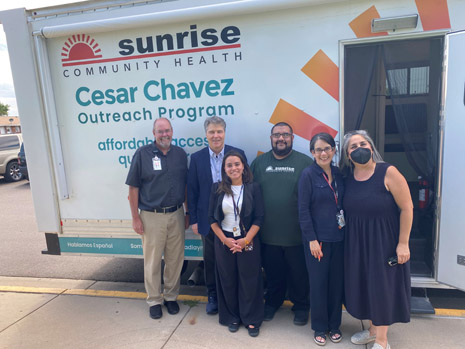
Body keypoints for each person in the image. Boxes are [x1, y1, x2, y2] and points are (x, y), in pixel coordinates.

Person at [340, 130, 413, 349]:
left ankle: (382, 341)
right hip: (357, 242)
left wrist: (403, 243)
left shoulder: (388, 172)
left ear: (371, 147)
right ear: (347, 155)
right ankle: (372, 331)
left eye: (362, 143)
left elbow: (407, 207)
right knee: (365, 286)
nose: (358, 148)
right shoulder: (348, 178)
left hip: (384, 241)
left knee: (382, 287)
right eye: (353, 147)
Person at [126, 117, 188, 320]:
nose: (165, 135)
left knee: (175, 259)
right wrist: (135, 218)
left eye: (167, 131)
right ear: (154, 134)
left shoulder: (179, 154)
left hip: (176, 214)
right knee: (152, 261)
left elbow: (185, 186)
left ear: (172, 132)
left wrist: (187, 212)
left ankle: (171, 297)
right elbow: (133, 188)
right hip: (151, 216)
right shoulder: (142, 154)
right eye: (160, 131)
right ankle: (154, 299)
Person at [250, 122, 312, 325]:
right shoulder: (259, 163)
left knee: (299, 275)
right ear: (271, 138)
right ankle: (272, 303)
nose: (281, 138)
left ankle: (301, 306)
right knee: (273, 273)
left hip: (296, 234)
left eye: (286, 135)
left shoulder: (305, 162)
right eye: (277, 135)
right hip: (268, 234)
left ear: (293, 138)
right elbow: (249, 194)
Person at [188, 116, 247, 315]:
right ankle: (213, 295)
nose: (216, 136)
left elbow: (247, 186)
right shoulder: (196, 159)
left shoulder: (238, 154)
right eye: (212, 132)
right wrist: (194, 219)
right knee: (211, 260)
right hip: (207, 220)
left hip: (234, 219)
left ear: (224, 132)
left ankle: (234, 296)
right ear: (206, 135)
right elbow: (192, 191)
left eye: (219, 131)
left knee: (235, 259)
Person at [208, 150, 265, 337]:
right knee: (228, 280)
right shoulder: (217, 188)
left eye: (237, 164)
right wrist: (224, 240)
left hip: (247, 239)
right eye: (229, 165)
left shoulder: (253, 188)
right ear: (224, 169)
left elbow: (259, 218)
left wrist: (246, 239)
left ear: (243, 166)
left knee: (250, 280)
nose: (234, 168)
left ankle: (251, 319)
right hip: (224, 240)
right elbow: (211, 219)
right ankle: (232, 317)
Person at [298, 133, 345, 346]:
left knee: (336, 284)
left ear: (334, 150)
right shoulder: (308, 175)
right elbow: (303, 210)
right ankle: (319, 326)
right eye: (318, 149)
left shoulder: (340, 174)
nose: (323, 153)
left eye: (327, 148)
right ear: (312, 153)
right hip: (318, 242)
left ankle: (334, 325)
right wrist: (312, 239)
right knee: (318, 284)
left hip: (339, 238)